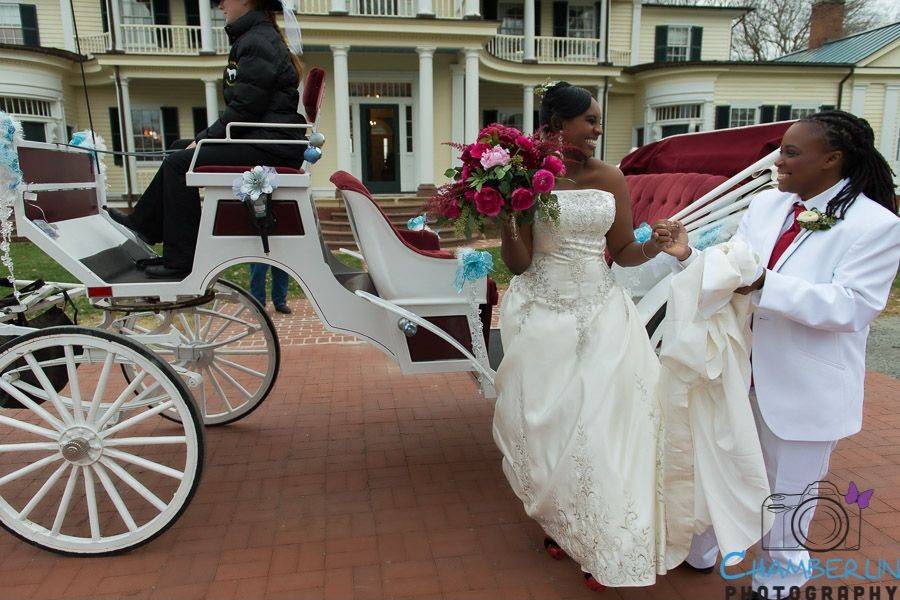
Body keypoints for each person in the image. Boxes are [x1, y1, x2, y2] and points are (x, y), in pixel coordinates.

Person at [655, 110, 900, 597]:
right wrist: (690, 255)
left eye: (790, 152)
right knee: (720, 459)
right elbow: (735, 269)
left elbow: (853, 307)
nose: (777, 161)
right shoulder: (767, 206)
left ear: (832, 159)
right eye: (779, 149)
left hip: (803, 380)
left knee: (787, 489)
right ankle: (706, 546)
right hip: (736, 365)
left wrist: (768, 283)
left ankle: (778, 575)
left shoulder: (877, 226)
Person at [491, 82, 688, 592]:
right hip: (542, 313)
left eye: (599, 121)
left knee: (600, 426)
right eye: (590, 121)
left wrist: (660, 248)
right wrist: (510, 213)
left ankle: (601, 536)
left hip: (602, 314)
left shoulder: (610, 176)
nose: (599, 129)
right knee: (548, 426)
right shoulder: (524, 176)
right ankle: (562, 519)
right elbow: (518, 263)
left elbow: (621, 251)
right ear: (557, 122)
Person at [108, 0, 307, 279]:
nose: (220, 4)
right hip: (268, 139)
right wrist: (201, 141)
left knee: (180, 163)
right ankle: (145, 225)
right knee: (179, 151)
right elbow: (246, 110)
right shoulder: (255, 38)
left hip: (271, 145)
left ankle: (182, 258)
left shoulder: (257, 41)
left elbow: (244, 110)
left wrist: (203, 140)